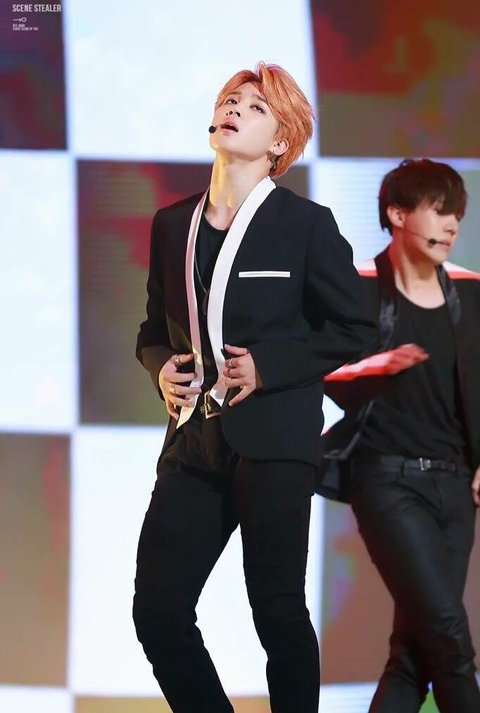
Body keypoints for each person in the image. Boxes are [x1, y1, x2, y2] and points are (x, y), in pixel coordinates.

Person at [133, 61, 375, 713]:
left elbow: (356, 327)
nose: (235, 107)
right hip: (193, 441)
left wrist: (268, 365)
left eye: (256, 106)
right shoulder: (171, 224)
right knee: (157, 611)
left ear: (280, 141)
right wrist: (160, 365)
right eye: (230, 99)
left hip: (276, 441)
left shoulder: (306, 224)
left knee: (276, 609)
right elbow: (153, 329)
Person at [317, 158, 480, 713]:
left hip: (456, 487)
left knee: (413, 655)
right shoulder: (356, 287)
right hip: (386, 480)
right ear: (397, 214)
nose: (451, 224)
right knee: (450, 640)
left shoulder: (470, 292)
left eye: (456, 213)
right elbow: (319, 370)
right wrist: (375, 367)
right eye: (439, 210)